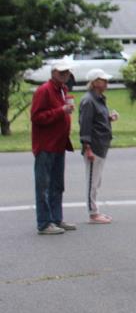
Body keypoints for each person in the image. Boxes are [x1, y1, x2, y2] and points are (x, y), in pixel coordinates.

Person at [30, 59, 78, 235]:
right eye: (61, 72)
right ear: (53, 73)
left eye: (67, 72)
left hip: (59, 144)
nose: (65, 75)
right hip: (46, 144)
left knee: (57, 185)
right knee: (43, 186)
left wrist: (65, 112)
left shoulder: (63, 90)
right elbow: (36, 117)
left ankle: (56, 218)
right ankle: (44, 223)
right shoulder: (44, 90)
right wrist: (61, 111)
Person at [78, 68, 118, 224]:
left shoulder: (99, 99)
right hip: (94, 146)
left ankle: (95, 211)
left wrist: (109, 118)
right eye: (103, 80)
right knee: (92, 182)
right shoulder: (88, 101)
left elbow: (97, 119)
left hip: (101, 145)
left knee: (96, 180)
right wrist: (87, 147)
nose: (106, 82)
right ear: (94, 82)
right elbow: (85, 125)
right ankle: (93, 213)